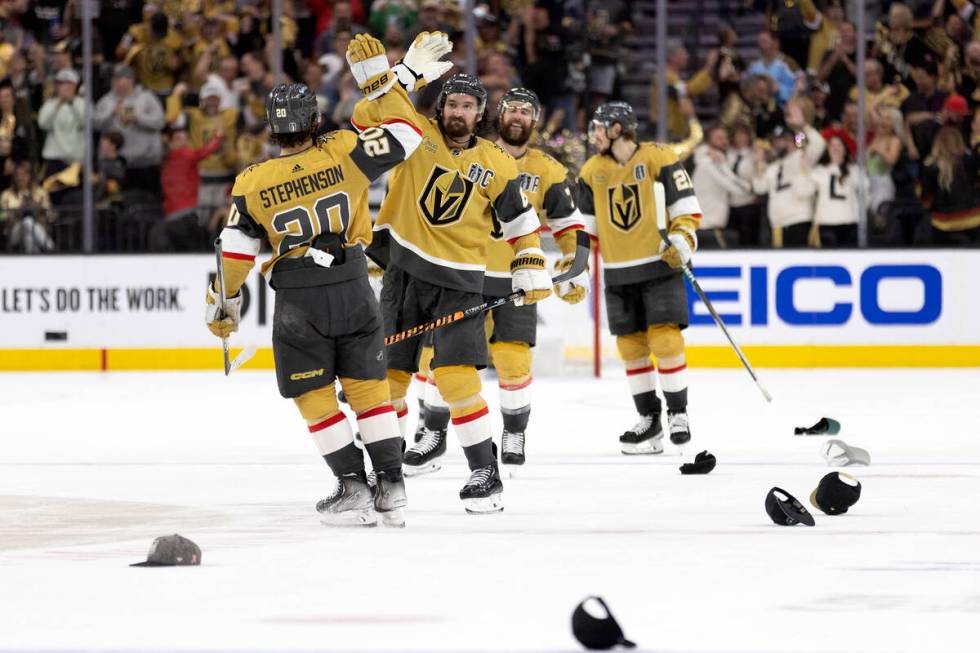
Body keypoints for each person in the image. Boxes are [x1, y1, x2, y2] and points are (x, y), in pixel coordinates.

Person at [204, 33, 452, 528]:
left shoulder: (253, 182)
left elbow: (235, 251)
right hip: (357, 287)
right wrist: (396, 79)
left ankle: (353, 485)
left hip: (300, 302)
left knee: (314, 396)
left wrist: (224, 302)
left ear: (273, 130)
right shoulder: (344, 150)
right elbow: (406, 132)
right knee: (368, 390)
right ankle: (392, 485)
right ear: (316, 121)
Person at [366, 70, 551, 513]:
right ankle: (387, 475)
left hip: (460, 280)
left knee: (454, 378)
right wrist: (401, 74)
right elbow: (367, 112)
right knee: (388, 378)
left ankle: (485, 473)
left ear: (481, 113)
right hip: (403, 273)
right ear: (441, 107)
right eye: (451, 104)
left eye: (468, 106)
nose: (458, 112)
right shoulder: (414, 135)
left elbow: (521, 223)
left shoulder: (497, 162)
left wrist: (529, 261)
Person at [413, 88, 588, 472]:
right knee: (439, 359)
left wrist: (576, 264)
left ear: (535, 119)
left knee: (512, 358)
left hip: (516, 278)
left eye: (526, 111)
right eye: (511, 109)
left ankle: (513, 432)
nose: (517, 117)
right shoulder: (474, 155)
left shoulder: (548, 170)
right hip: (463, 274)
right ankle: (432, 432)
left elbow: (569, 223)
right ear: (497, 114)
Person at [576, 102, 703, 454]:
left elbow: (686, 210)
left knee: (665, 342)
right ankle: (649, 422)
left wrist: (682, 241)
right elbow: (585, 231)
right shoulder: (590, 171)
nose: (595, 134)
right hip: (618, 273)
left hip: (659, 267)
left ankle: (679, 414)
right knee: (631, 348)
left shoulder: (659, 158)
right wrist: (577, 267)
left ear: (618, 129)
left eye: (600, 127)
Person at [752, 102, 826, 247]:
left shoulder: (802, 156)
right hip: (778, 223)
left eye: (782, 139)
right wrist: (758, 164)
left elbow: (818, 143)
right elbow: (760, 188)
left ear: (791, 140)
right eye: (775, 140)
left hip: (800, 219)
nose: (777, 144)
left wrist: (802, 126)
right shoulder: (773, 167)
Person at [92, 64, 165, 197]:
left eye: (120, 78)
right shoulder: (106, 101)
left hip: (145, 163)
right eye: (114, 78)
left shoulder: (146, 98)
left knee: (148, 201)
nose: (116, 82)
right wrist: (111, 112)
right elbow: (95, 125)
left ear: (131, 80)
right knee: (118, 202)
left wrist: (138, 118)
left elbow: (160, 122)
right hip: (116, 166)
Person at [692, 123, 751, 248]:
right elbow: (742, 190)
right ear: (708, 142)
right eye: (719, 138)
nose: (724, 142)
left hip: (704, 227)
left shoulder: (705, 161)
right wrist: (725, 167)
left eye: (725, 138)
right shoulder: (710, 164)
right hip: (708, 229)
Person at [801, 134, 864, 247]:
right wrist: (804, 170)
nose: (835, 148)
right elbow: (805, 191)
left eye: (839, 145)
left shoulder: (854, 170)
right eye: (832, 145)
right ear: (827, 150)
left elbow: (865, 193)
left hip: (850, 221)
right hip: (826, 222)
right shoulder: (819, 170)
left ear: (845, 149)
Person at [921, 125, 980, 244]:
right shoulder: (970, 160)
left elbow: (926, 200)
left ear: (937, 142)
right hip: (974, 221)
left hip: (943, 226)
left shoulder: (930, 167)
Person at [37, 69, 85, 175]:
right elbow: (43, 124)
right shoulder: (50, 104)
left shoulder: (83, 103)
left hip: (76, 161)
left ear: (75, 86)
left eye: (68, 83)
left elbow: (86, 123)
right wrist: (58, 104)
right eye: (60, 83)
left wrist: (71, 101)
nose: (63, 87)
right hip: (54, 159)